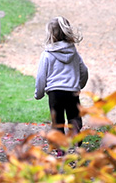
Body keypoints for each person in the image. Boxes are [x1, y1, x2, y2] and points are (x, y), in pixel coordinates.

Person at [34, 16, 89, 156]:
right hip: (72, 91)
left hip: (55, 93)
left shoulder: (47, 54)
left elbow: (41, 76)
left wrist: (39, 93)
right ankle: (76, 139)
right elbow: (84, 71)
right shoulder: (74, 53)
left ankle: (60, 149)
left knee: (57, 121)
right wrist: (79, 84)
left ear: (50, 34)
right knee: (74, 117)